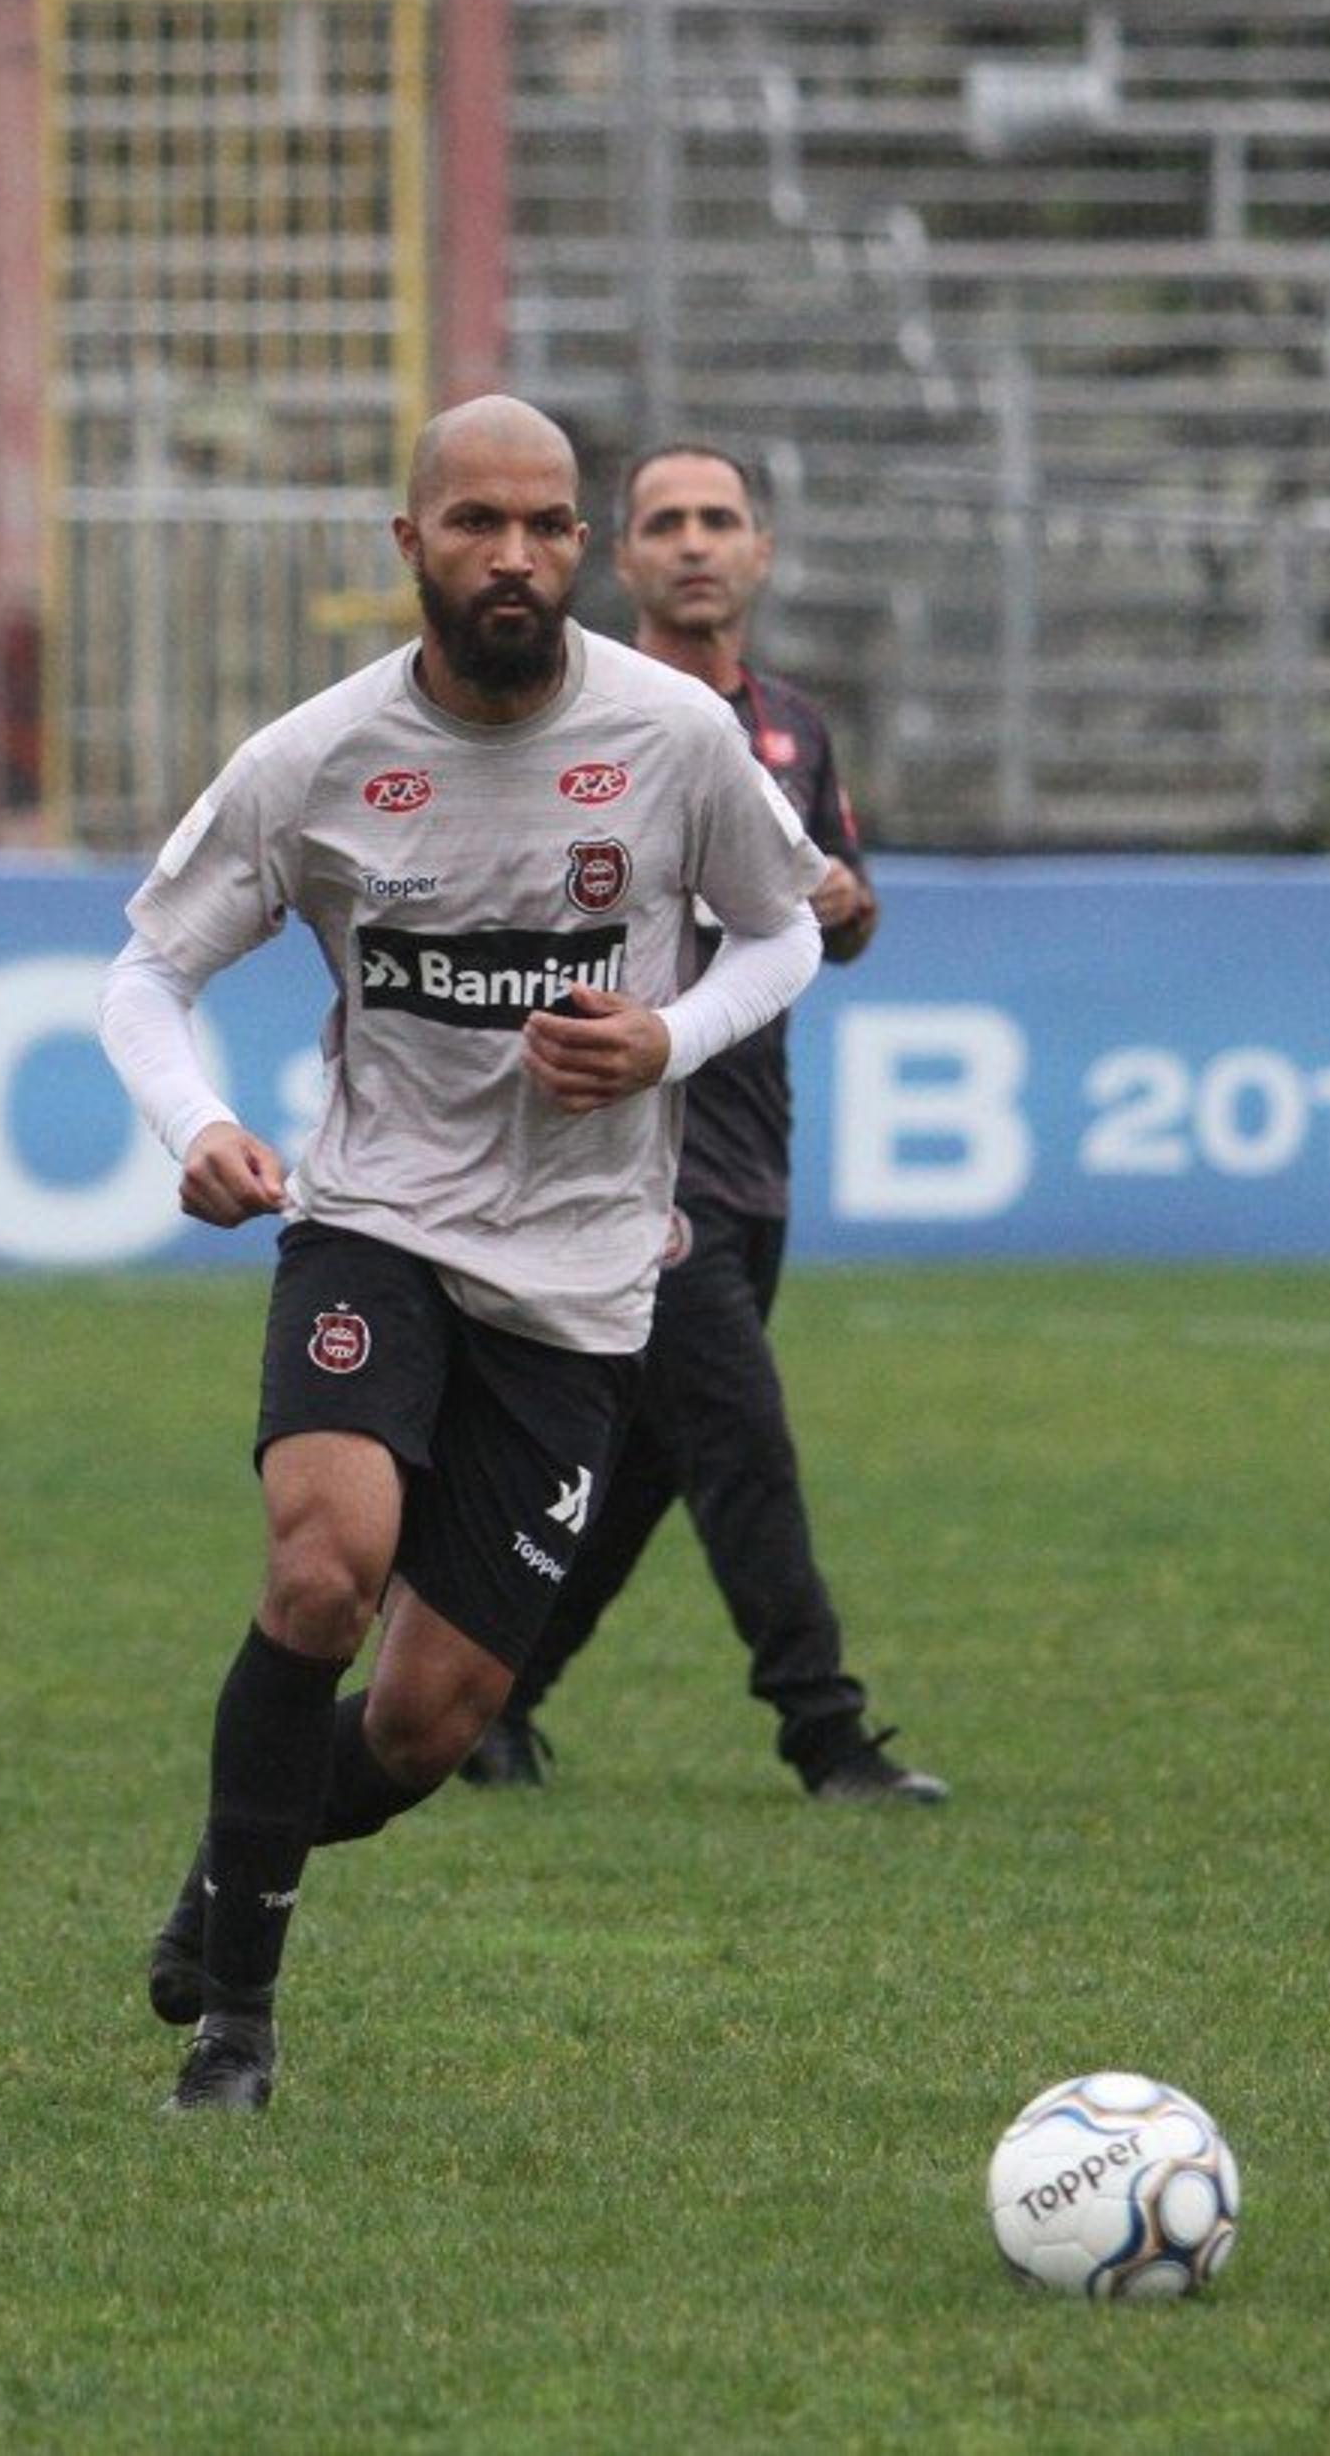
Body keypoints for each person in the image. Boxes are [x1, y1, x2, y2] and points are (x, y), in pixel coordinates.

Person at [98, 395, 833, 2112]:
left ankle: (226, 1871)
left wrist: (670, 1037)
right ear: (410, 541)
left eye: (549, 525)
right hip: (375, 1225)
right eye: (479, 522)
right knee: (320, 1569)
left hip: (580, 1276)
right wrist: (194, 1123)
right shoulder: (316, 758)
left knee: (431, 1723)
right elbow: (147, 972)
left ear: (579, 545)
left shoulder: (672, 735)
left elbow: (785, 927)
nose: (516, 555)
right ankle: (239, 2028)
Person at [457, 442, 946, 1805]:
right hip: (633, 1154)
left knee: (658, 1459)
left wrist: (849, 910)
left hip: (752, 1146)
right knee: (741, 1443)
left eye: (718, 520)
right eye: (664, 522)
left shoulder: (792, 729)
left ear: (761, 551)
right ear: (624, 560)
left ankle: (480, 1702)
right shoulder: (575, 714)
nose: (693, 543)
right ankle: (824, 1732)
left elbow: (829, 918)